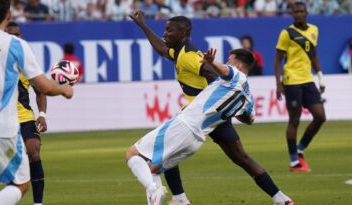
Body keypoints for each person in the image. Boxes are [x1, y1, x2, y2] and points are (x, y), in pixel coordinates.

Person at [130, 11, 294, 205]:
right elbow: (163, 50)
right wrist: (143, 25)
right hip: (215, 117)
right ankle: (280, 198)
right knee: (242, 158)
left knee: (163, 153)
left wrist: (213, 101)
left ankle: (179, 198)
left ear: (182, 33)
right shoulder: (181, 51)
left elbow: (213, 75)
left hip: (198, 115)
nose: (165, 34)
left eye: (168, 30)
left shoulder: (190, 56)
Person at [0, 1, 73, 205]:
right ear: (8, 14)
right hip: (2, 127)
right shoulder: (15, 45)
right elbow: (45, 87)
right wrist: (64, 90)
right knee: (20, 184)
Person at [0, 21, 48, 205]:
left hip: (25, 118)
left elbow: (41, 90)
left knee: (34, 151)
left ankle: (38, 203)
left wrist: (42, 114)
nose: (17, 37)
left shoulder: (27, 61)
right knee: (0, 163)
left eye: (18, 34)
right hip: (1, 119)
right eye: (12, 34)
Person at [274, 1, 326, 172]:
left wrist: (320, 76)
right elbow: (277, 60)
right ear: (292, 14)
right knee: (294, 121)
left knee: (320, 117)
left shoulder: (314, 30)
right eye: (295, 11)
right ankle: (294, 161)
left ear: (306, 13)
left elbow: (314, 54)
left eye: (300, 11)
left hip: (308, 79)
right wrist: (278, 83)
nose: (298, 14)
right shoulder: (286, 33)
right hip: (291, 81)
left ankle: (300, 147)